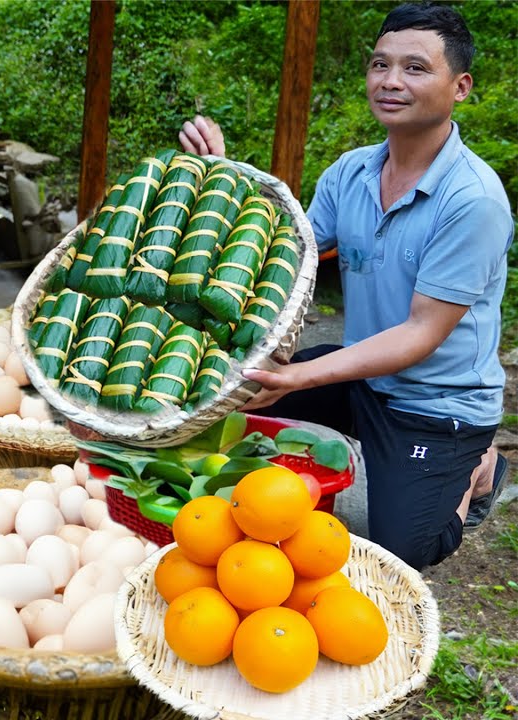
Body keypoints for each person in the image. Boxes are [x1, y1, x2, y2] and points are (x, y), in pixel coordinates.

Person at [179, 2, 512, 571]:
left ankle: (480, 468)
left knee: (402, 552)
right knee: (226, 395)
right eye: (380, 64)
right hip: (361, 372)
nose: (390, 81)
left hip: (435, 401)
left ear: (460, 87)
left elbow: (420, 334)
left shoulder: (472, 200)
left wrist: (296, 376)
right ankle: (357, 429)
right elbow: (287, 252)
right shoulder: (351, 171)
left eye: (414, 68)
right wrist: (223, 176)